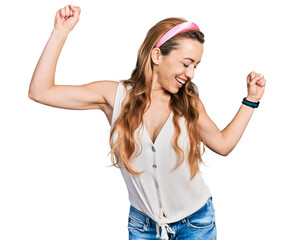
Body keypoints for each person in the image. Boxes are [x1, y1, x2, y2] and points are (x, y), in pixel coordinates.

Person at [28, 4, 266, 240]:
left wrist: (251, 100)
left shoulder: (189, 103)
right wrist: (60, 32)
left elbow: (223, 145)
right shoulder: (114, 96)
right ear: (156, 55)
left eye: (195, 66)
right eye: (186, 63)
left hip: (196, 225)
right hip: (143, 228)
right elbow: (40, 91)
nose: (191, 73)